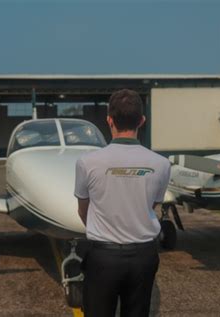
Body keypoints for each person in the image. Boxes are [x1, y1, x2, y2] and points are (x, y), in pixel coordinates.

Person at [74, 89, 171, 317]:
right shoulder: (162, 164)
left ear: (109, 120)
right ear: (142, 121)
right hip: (144, 258)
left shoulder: (87, 162)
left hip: (103, 258)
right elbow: (152, 206)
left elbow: (83, 209)